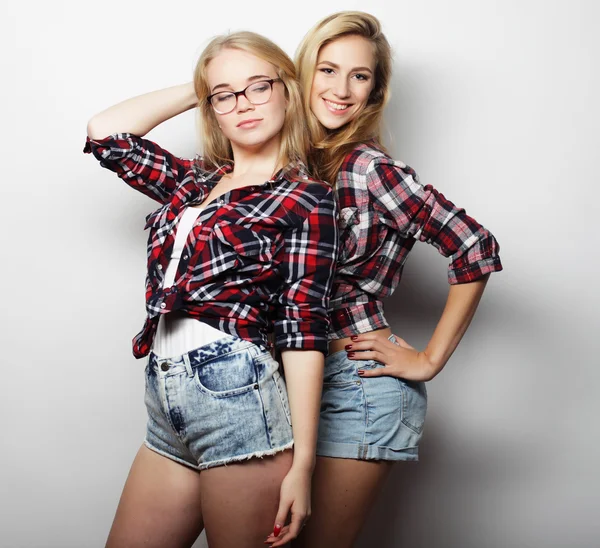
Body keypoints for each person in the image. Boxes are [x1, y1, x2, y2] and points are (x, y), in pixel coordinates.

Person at [84, 31, 338, 548]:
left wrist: (304, 464)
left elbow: (303, 328)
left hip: (240, 402)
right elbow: (105, 134)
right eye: (225, 94)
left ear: (288, 90)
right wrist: (200, 85)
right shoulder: (193, 182)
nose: (243, 103)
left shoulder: (307, 199)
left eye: (259, 87)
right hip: (165, 401)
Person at [293, 12, 503, 547]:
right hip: (291, 380)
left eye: (359, 76)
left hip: (357, 384)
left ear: (375, 90)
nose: (341, 90)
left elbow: (474, 246)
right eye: (327, 69)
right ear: (300, 74)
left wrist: (429, 360)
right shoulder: (282, 166)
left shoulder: (370, 169)